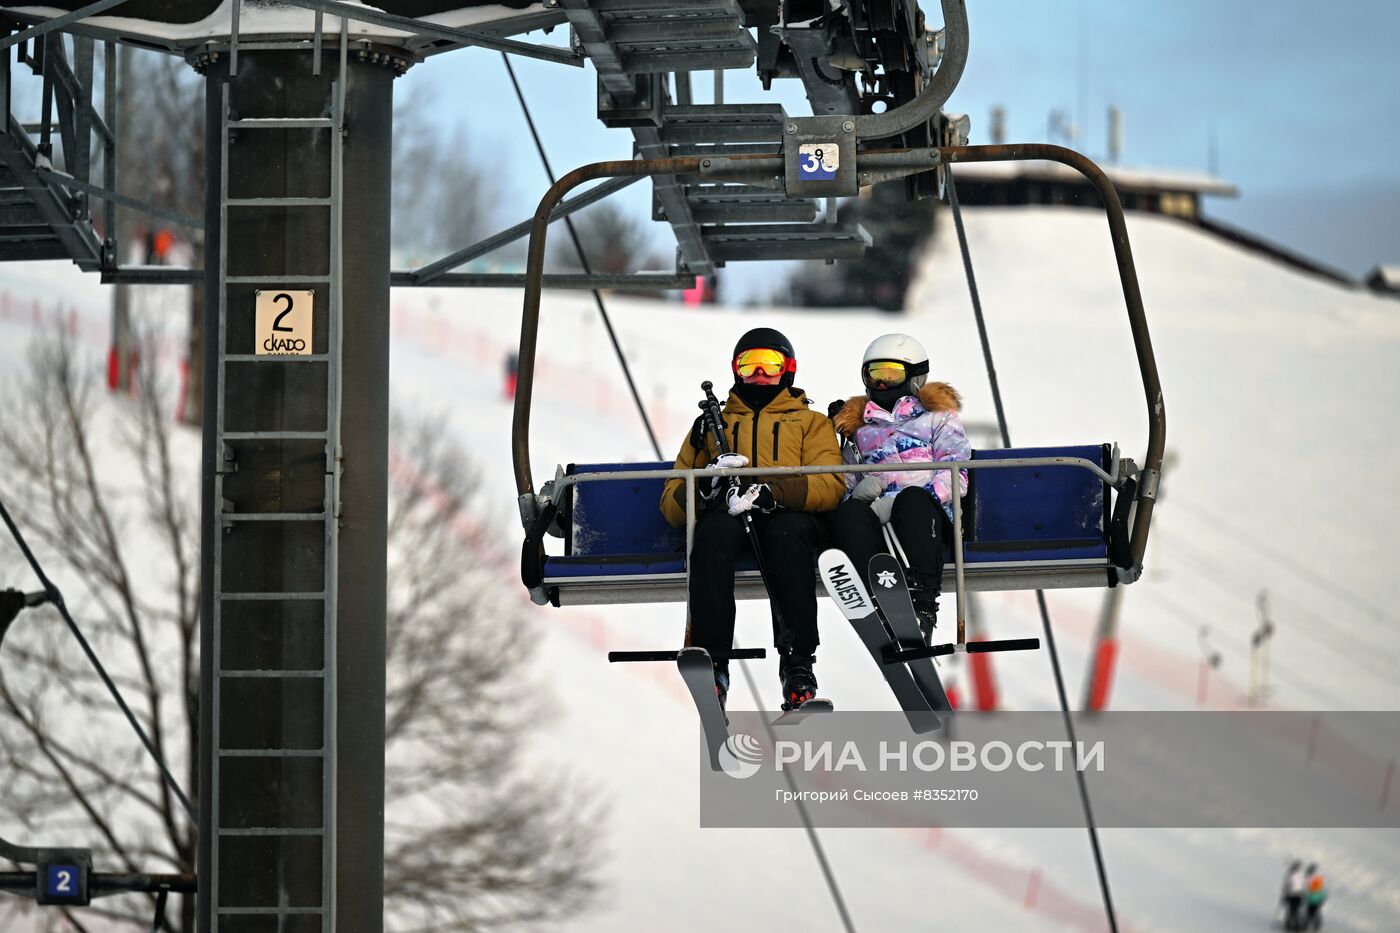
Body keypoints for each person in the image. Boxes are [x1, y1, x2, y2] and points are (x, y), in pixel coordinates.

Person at [660, 327, 845, 712]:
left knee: (785, 534)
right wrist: (707, 486)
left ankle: (797, 664)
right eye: (750, 364)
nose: (760, 373)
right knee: (711, 535)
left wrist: (775, 494)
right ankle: (714, 664)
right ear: (736, 370)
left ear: (787, 370)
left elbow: (830, 484)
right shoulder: (710, 427)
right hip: (730, 517)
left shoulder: (811, 423)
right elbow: (672, 503)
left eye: (770, 364)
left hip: (789, 518)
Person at [828, 333, 969, 636]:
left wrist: (917, 498)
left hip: (928, 516)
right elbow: (845, 481)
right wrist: (859, 497)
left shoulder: (938, 418)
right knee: (849, 515)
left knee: (913, 502)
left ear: (915, 377)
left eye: (891, 374)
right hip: (878, 521)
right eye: (874, 374)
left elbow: (956, 473)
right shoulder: (860, 430)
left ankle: (921, 603)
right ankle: (879, 599)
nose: (881, 384)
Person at [1282, 860, 1306, 930]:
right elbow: (1303, 885)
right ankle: (1297, 925)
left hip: (1291, 895)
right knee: (1297, 910)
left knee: (1291, 910)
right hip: (1299, 895)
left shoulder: (1289, 874)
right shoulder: (1300, 874)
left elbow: (1285, 885)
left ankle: (1289, 924)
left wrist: (1284, 895)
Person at [1304, 864, 1327, 930]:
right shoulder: (1320, 878)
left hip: (1311, 898)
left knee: (1309, 913)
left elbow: (1306, 889)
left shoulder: (1309, 878)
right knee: (1317, 912)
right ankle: (1317, 926)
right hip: (1319, 898)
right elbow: (1323, 889)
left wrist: (1305, 896)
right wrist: (1323, 898)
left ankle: (1306, 925)